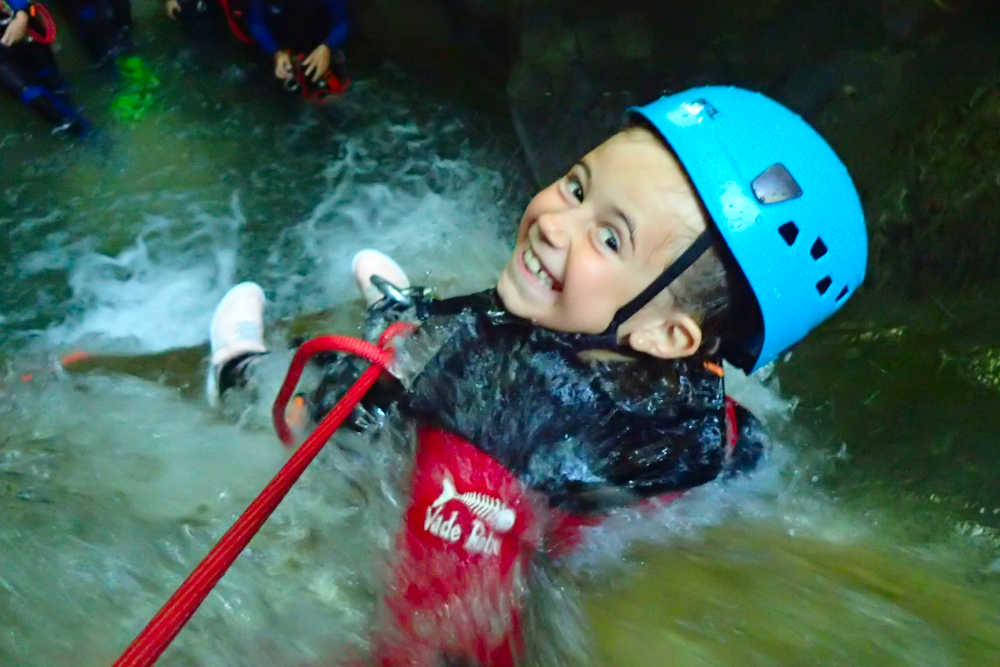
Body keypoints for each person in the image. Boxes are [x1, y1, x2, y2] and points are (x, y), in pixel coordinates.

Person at [197, 86, 867, 665]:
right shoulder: (698, 392)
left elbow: (436, 648)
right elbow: (738, 462)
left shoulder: (486, 431)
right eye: (577, 186)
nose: (553, 222)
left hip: (470, 474)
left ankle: (242, 378)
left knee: (342, 401)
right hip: (562, 506)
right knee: (481, 323)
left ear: (670, 333)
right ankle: (404, 319)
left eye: (610, 238)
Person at [1, 0, 91, 134]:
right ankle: (85, 134)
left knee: (58, 88)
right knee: (37, 99)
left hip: (23, 27)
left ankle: (86, 130)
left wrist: (22, 14)